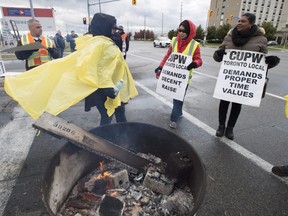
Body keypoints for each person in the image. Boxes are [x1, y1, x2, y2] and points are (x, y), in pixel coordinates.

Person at [213, 13, 280, 140]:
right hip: (229, 78)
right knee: (224, 102)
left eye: (243, 21)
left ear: (251, 24)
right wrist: (219, 54)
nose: (239, 23)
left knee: (237, 105)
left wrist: (271, 61)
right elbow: (217, 57)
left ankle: (230, 129)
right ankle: (221, 126)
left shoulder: (261, 40)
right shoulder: (229, 37)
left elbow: (261, 64)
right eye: (239, 20)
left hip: (244, 80)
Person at [84, 13, 137, 125]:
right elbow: (99, 68)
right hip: (105, 90)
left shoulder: (106, 40)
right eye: (112, 28)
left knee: (120, 114)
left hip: (115, 87)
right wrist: (108, 88)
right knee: (107, 116)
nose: (114, 31)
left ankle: (123, 137)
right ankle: (103, 140)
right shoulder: (98, 44)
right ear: (104, 27)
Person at [154, 19, 203, 129]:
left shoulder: (195, 45)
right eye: (179, 30)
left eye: (184, 31)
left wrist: (194, 64)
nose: (181, 33)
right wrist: (160, 67)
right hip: (172, 76)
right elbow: (167, 56)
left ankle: (173, 118)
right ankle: (179, 113)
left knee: (178, 98)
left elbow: (199, 60)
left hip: (184, 79)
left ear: (190, 32)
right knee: (178, 98)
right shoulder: (174, 41)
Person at [111, 29, 128, 123]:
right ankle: (123, 131)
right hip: (115, 89)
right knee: (119, 113)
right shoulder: (120, 59)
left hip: (112, 89)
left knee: (108, 116)